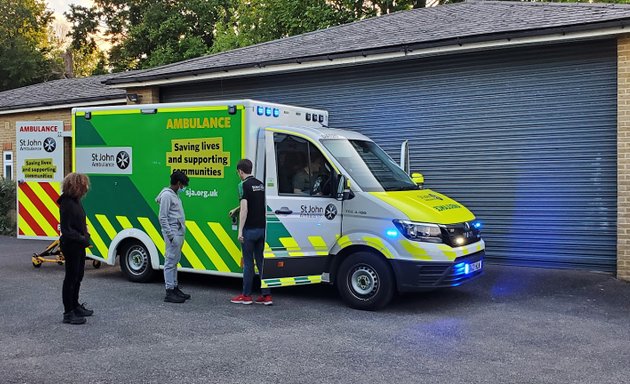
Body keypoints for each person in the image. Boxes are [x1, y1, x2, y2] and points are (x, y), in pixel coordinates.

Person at [230, 159, 273, 305]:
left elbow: (245, 208)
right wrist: (236, 209)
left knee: (248, 263)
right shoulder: (260, 184)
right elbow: (256, 204)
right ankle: (266, 296)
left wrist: (240, 231)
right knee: (261, 262)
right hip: (262, 229)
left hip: (249, 230)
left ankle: (246, 296)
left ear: (241, 171)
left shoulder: (242, 185)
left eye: (238, 172)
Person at [58, 172, 93, 325]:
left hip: (79, 245)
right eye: (83, 186)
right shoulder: (66, 202)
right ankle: (68, 312)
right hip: (71, 245)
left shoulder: (76, 201)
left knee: (78, 276)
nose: (86, 189)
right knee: (70, 278)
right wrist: (81, 238)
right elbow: (66, 229)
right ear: (75, 186)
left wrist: (85, 235)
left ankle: (75, 305)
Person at [156, 170, 191, 304]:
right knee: (170, 262)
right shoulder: (167, 196)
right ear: (177, 183)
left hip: (178, 232)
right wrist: (171, 236)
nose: (183, 188)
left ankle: (175, 287)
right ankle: (169, 291)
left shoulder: (174, 195)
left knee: (175, 262)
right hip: (173, 234)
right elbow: (162, 217)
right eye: (182, 185)